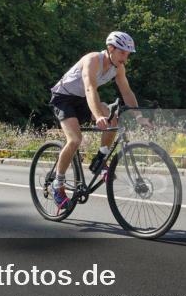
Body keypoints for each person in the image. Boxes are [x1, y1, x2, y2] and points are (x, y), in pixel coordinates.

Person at [48, 31, 147, 207]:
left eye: (128, 54)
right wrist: (99, 115)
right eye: (123, 53)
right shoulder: (92, 60)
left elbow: (126, 91)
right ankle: (58, 184)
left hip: (83, 100)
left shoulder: (118, 67)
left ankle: (99, 161)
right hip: (64, 98)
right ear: (111, 49)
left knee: (113, 117)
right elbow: (90, 89)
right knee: (75, 140)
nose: (126, 58)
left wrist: (139, 116)